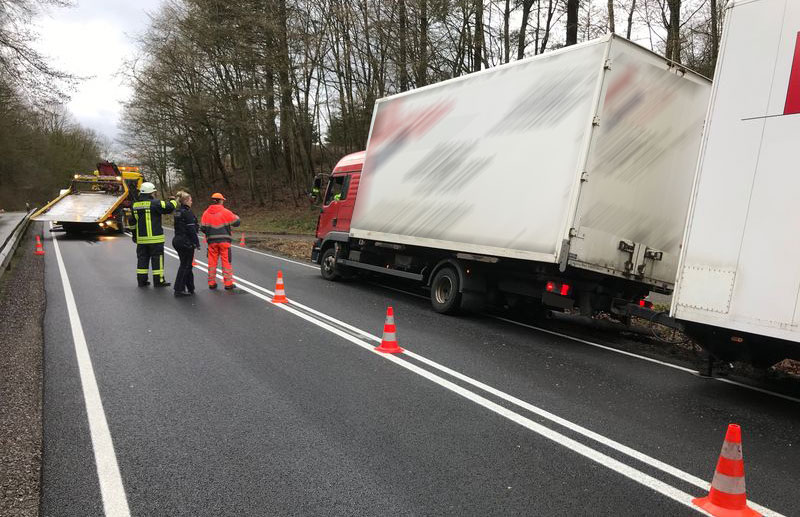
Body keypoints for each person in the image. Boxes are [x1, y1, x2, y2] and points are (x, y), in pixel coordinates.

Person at [129, 182, 177, 287]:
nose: (154, 194)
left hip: (141, 240)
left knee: (142, 260)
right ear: (150, 192)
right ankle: (158, 281)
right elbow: (169, 207)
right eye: (153, 192)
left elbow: (132, 222)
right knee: (157, 260)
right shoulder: (155, 203)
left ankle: (142, 281)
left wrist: (134, 235)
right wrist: (173, 200)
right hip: (155, 240)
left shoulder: (135, 205)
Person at [200, 192, 241, 290]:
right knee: (226, 262)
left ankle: (211, 283)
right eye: (222, 200)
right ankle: (228, 284)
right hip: (224, 242)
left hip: (211, 242)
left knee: (212, 262)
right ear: (220, 201)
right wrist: (237, 217)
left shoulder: (205, 213)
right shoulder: (225, 211)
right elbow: (237, 222)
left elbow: (203, 228)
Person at [172, 190, 200, 297]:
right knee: (185, 266)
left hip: (177, 240)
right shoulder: (187, 212)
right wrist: (197, 243)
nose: (192, 202)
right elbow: (191, 230)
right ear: (186, 201)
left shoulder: (177, 211)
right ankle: (178, 289)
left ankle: (190, 287)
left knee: (187, 265)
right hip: (185, 242)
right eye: (191, 200)